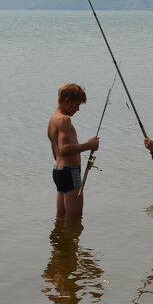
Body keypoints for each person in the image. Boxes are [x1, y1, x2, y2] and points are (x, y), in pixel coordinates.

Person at [48, 83, 100, 218]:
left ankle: (60, 238)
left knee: (61, 216)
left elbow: (56, 152)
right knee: (75, 218)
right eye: (77, 105)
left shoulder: (52, 120)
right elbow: (64, 149)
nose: (78, 109)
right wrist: (89, 145)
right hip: (69, 172)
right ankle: (70, 237)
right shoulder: (64, 120)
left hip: (58, 172)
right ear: (67, 101)